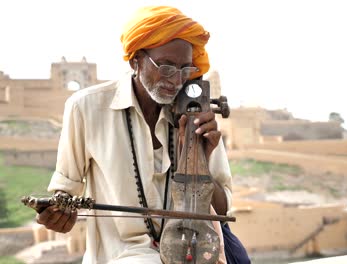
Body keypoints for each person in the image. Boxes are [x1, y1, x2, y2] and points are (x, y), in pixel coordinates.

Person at [35, 5, 249, 264]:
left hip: (189, 252)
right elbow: (64, 198)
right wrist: (57, 215)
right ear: (136, 60)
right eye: (167, 67)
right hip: (123, 256)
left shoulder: (196, 113)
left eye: (185, 70)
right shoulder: (85, 108)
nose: (177, 80)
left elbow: (221, 211)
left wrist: (198, 160)